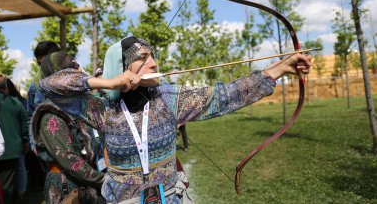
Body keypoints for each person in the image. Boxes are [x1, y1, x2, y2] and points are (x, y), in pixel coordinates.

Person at [38, 36, 312, 203]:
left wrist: (280, 68)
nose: (154, 63)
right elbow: (49, 85)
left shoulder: (168, 99)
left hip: (172, 198)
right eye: (143, 58)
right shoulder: (101, 109)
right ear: (123, 69)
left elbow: (227, 95)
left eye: (153, 56)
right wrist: (108, 81)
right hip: (125, 200)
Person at [30, 52, 106, 204]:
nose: (80, 69)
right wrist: (105, 180)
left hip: (89, 182)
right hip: (68, 188)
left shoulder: (80, 107)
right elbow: (71, 161)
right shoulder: (51, 114)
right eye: (74, 65)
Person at [26, 40, 60, 191]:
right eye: (39, 64)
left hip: (76, 146)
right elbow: (30, 117)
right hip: (48, 148)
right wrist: (34, 143)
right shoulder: (35, 86)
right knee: (56, 188)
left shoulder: (75, 79)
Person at [0, 75, 29, 204]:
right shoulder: (15, 103)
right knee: (8, 187)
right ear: (6, 88)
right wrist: (25, 141)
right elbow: (24, 125)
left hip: (6, 151)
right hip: (12, 151)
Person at [6, 79, 28, 203]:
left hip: (15, 140)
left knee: (19, 168)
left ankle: (19, 193)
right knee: (19, 168)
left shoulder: (17, 102)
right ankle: (20, 192)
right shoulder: (18, 101)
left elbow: (25, 122)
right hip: (17, 140)